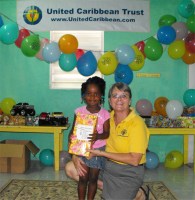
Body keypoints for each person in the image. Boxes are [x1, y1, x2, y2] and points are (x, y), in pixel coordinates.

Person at [89, 82, 150, 200]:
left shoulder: (137, 123)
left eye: (124, 96)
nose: (119, 99)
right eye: (115, 96)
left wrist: (101, 153)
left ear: (130, 100)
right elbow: (91, 139)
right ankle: (116, 191)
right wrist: (76, 156)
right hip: (107, 166)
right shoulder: (106, 118)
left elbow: (134, 159)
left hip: (129, 172)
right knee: (73, 169)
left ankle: (138, 193)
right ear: (109, 100)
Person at [67, 76, 110, 200]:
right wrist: (71, 141)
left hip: (97, 151)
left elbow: (107, 133)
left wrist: (98, 136)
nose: (92, 97)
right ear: (83, 96)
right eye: (89, 94)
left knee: (93, 179)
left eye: (96, 94)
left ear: (101, 95)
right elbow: (73, 131)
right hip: (81, 149)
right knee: (83, 178)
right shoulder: (79, 112)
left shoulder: (105, 114)